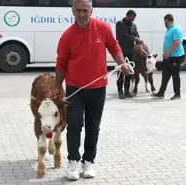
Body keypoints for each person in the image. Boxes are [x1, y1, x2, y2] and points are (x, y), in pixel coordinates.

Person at [54, 0, 132, 181]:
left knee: (93, 127)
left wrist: (122, 63)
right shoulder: (67, 36)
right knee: (74, 125)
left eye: (85, 10)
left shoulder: (103, 28)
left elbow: (114, 47)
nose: (82, 14)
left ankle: (88, 162)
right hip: (75, 89)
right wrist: (58, 88)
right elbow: (61, 63)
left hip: (98, 88)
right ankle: (73, 162)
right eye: (78, 10)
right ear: (73, 11)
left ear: (91, 11)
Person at [152, 14, 185, 100]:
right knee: (165, 75)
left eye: (165, 21)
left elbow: (177, 43)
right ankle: (161, 93)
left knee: (175, 75)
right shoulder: (169, 29)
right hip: (168, 57)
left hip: (175, 56)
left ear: (168, 20)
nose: (164, 23)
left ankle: (177, 94)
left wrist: (168, 53)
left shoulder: (176, 29)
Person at [115, 10, 145, 99]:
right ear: (127, 16)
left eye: (133, 19)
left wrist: (142, 49)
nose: (132, 20)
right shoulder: (120, 24)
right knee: (121, 71)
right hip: (121, 52)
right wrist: (134, 38)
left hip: (131, 52)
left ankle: (127, 90)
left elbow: (138, 39)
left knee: (129, 71)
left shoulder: (133, 26)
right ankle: (120, 91)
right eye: (131, 18)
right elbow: (123, 35)